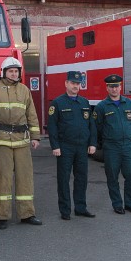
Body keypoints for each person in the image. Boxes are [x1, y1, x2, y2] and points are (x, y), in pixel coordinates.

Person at [0, 57, 43, 229]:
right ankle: (2, 217)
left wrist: (35, 136)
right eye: (11, 71)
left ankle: (27, 214)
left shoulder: (24, 90)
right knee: (3, 179)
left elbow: (32, 114)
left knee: (25, 179)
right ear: (3, 72)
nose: (14, 74)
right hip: (2, 141)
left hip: (22, 140)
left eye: (16, 71)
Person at [47, 71, 97, 220]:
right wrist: (55, 146)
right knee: (63, 179)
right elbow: (52, 126)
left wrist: (93, 143)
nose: (75, 86)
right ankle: (65, 210)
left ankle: (80, 208)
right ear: (66, 84)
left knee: (81, 178)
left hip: (82, 147)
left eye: (78, 83)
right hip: (65, 147)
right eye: (73, 83)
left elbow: (91, 125)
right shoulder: (57, 103)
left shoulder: (84, 102)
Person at [94, 74, 131, 215]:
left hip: (127, 146)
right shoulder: (101, 107)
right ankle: (117, 204)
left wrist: (126, 136)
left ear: (121, 87)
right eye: (111, 86)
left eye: (116, 86)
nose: (114, 89)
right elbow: (98, 126)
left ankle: (130, 204)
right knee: (112, 177)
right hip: (111, 147)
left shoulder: (130, 103)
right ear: (107, 88)